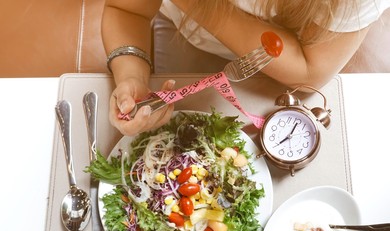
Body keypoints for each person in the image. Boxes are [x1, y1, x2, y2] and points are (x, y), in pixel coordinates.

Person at [102, 0, 390, 136]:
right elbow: (127, 9)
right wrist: (130, 74)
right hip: (187, 37)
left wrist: (198, 6)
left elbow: (309, 72)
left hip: (287, 75)